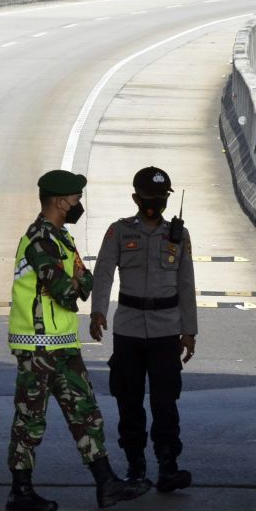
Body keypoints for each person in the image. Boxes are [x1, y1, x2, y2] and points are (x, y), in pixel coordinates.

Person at [6, 169, 151, 511]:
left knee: (86, 413)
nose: (78, 204)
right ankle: (20, 490)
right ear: (60, 201)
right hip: (37, 344)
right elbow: (66, 290)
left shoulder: (62, 239)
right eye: (75, 198)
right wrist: (74, 280)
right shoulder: (40, 239)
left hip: (63, 343)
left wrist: (75, 280)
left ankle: (106, 484)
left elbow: (82, 287)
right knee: (30, 419)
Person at [89, 166, 197, 493]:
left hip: (166, 332)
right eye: (149, 198)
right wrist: (97, 312)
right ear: (136, 198)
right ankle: (135, 467)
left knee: (165, 403)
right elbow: (104, 272)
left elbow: (186, 284)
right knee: (129, 401)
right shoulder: (119, 232)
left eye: (161, 198)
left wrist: (189, 331)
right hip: (129, 331)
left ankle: (168, 467)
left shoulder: (178, 235)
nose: (155, 204)